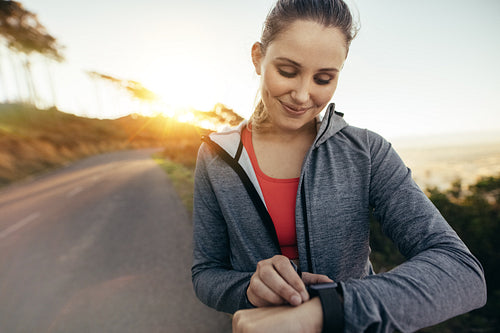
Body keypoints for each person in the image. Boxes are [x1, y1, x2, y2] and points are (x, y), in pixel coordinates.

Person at [191, 0, 487, 332]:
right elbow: (206, 273)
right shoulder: (216, 156)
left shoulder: (367, 151)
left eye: (323, 78)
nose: (303, 95)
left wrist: (329, 307)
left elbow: (462, 273)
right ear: (258, 57)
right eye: (287, 71)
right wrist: (248, 288)